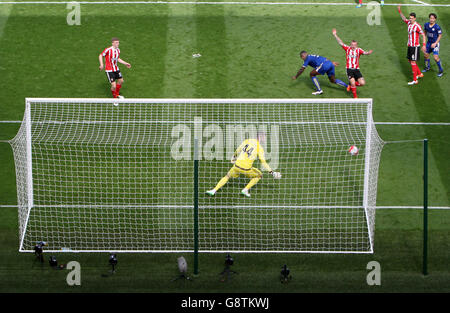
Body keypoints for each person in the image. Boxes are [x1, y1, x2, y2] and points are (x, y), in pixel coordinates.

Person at [206, 132, 281, 198]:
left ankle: (213, 190)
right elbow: (263, 162)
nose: (265, 139)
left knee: (227, 176)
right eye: (264, 137)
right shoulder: (260, 148)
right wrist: (272, 172)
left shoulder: (247, 140)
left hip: (236, 166)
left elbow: (238, 149)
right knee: (259, 175)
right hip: (246, 169)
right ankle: (245, 190)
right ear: (260, 137)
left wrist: (234, 157)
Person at [332, 29, 373, 98]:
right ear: (350, 44)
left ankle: (351, 85)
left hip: (357, 69)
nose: (353, 46)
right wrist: (335, 35)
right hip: (349, 69)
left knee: (362, 83)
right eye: (352, 44)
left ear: (356, 45)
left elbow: (365, 53)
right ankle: (355, 97)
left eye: (354, 45)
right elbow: (340, 42)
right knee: (353, 82)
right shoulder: (347, 49)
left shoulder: (359, 50)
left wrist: (368, 53)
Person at [398, 6, 427, 85]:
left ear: (414, 18)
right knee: (410, 60)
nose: (410, 19)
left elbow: (423, 35)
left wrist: (424, 45)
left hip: (415, 47)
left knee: (413, 62)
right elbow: (404, 19)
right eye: (409, 18)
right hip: (410, 46)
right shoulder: (409, 23)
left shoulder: (417, 26)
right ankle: (419, 74)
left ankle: (415, 80)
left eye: (411, 18)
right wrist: (400, 11)